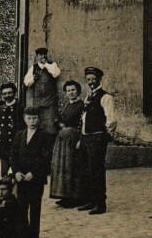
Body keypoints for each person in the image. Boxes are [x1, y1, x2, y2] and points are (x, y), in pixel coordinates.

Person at [10, 106, 54, 238]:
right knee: (21, 208)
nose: (32, 121)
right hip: (21, 177)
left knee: (35, 208)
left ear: (39, 119)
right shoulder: (19, 135)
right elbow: (13, 155)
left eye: (34, 118)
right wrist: (16, 172)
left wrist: (33, 173)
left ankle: (33, 237)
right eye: (29, 118)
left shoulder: (44, 136)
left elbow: (45, 158)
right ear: (24, 119)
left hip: (35, 178)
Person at [77, 67, 116, 215]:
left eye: (93, 79)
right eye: (88, 80)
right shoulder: (88, 97)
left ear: (99, 79)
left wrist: (104, 135)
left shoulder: (106, 97)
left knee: (97, 171)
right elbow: (84, 119)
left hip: (97, 138)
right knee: (86, 170)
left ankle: (100, 204)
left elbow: (111, 120)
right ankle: (91, 200)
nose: (91, 82)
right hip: (86, 137)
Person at [49, 80, 86, 208]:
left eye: (73, 90)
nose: (71, 92)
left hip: (73, 140)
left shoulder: (82, 106)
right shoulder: (66, 105)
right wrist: (60, 124)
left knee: (72, 168)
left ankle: (75, 198)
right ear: (66, 93)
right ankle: (64, 196)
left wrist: (81, 140)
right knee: (62, 167)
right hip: (62, 141)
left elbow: (83, 124)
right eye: (68, 90)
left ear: (78, 91)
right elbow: (57, 118)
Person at [23, 47, 61, 134]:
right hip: (38, 101)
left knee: (50, 124)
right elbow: (26, 82)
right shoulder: (34, 67)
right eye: (40, 55)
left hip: (50, 100)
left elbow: (56, 74)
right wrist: (34, 78)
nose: (43, 56)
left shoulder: (52, 65)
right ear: (37, 56)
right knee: (38, 123)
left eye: (44, 54)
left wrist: (46, 64)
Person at [0, 83, 24, 178]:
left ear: (14, 93)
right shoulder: (1, 109)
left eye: (9, 93)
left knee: (17, 175)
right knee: (4, 176)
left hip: (16, 148)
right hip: (3, 147)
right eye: (4, 93)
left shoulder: (20, 108)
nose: (7, 95)